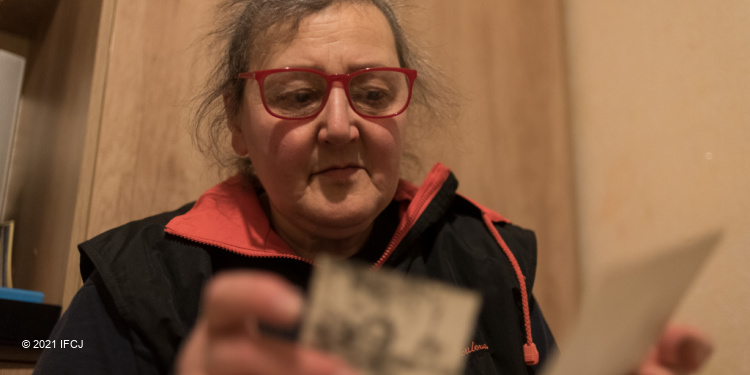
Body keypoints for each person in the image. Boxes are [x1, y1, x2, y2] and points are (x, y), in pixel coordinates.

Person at [33, 0, 712, 374]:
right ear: (237, 127)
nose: (340, 126)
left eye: (372, 92)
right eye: (297, 94)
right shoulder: (138, 282)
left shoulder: (482, 256)